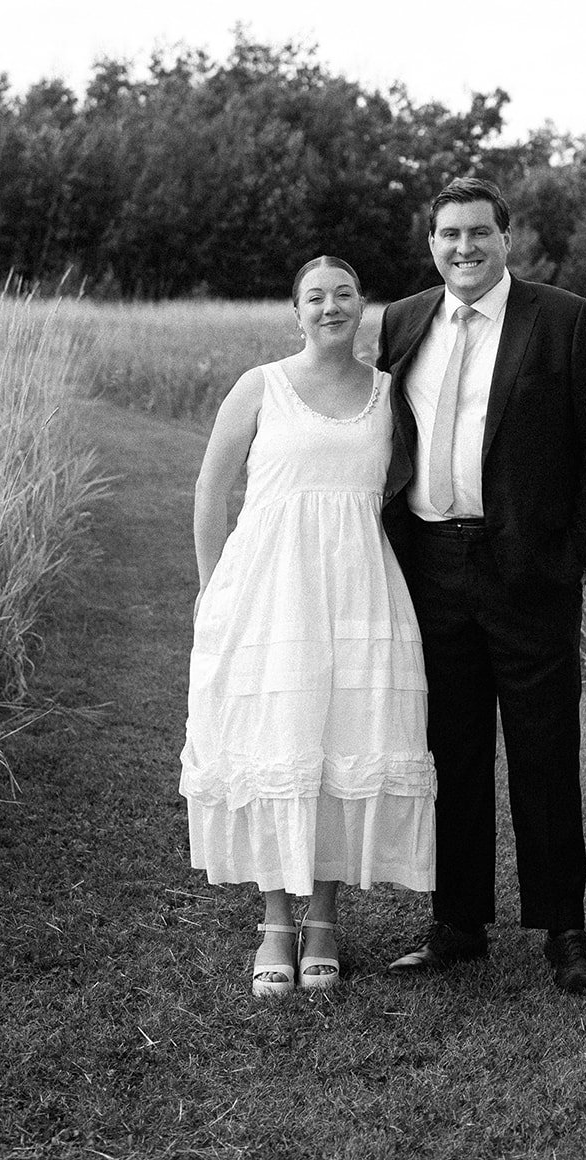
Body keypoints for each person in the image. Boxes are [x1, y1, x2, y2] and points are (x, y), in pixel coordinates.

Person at [378, 177, 586, 993]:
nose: (464, 247)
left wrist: (575, 559)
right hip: (430, 567)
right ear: (432, 243)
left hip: (529, 572)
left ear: (506, 238)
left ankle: (564, 931)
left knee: (543, 752)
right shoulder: (403, 320)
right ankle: (457, 925)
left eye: (479, 233)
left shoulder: (562, 320)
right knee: (448, 751)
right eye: (449, 234)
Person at [179, 255, 436, 998]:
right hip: (269, 589)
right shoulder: (260, 386)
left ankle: (322, 918)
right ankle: (273, 923)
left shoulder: (391, 394)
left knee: (343, 735)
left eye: (344, 294)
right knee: (277, 737)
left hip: (356, 586)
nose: (331, 307)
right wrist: (209, 584)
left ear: (363, 306)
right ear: (295, 312)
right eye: (315, 297)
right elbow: (209, 489)